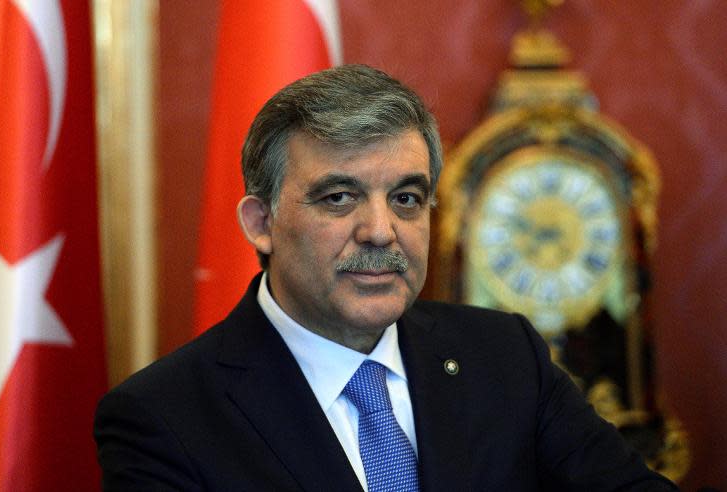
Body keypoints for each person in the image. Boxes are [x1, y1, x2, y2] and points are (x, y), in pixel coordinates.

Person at [94, 64, 677, 491]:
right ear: (262, 223)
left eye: (406, 198)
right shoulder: (163, 417)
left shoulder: (505, 356)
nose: (381, 231)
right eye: (339, 197)